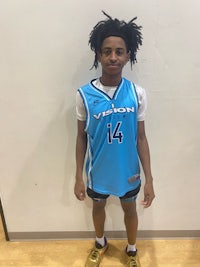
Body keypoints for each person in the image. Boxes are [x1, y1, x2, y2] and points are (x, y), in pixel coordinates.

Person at [74, 11, 155, 267]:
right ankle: (100, 243)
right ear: (98, 54)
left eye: (119, 51)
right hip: (98, 171)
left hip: (128, 171)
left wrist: (150, 178)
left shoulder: (137, 93)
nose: (112, 57)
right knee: (98, 208)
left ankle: (131, 251)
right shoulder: (84, 94)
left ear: (128, 54)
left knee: (129, 209)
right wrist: (78, 175)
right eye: (106, 51)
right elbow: (80, 138)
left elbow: (141, 138)